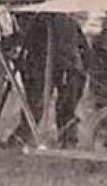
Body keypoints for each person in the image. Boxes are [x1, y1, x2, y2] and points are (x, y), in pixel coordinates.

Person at [9, 12, 88, 148]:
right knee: (39, 103)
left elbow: (83, 47)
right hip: (46, 65)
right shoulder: (43, 20)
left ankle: (67, 138)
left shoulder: (67, 21)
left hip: (65, 66)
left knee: (63, 105)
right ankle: (23, 136)